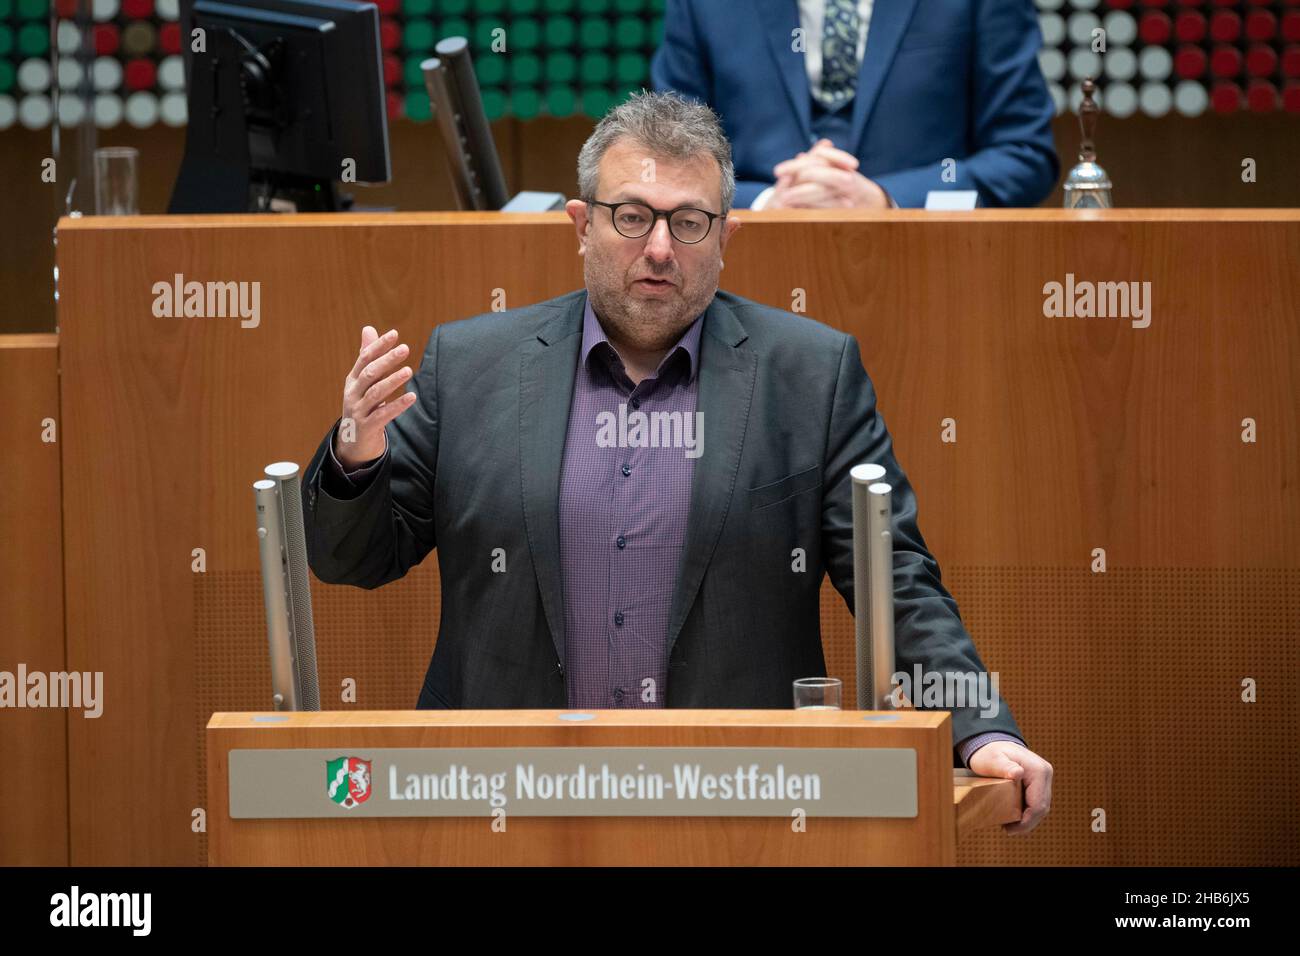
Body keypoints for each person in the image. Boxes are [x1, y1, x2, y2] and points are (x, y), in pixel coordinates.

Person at [302, 90, 1052, 832]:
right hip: (508, 800)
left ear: (727, 237)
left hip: (736, 808)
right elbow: (352, 561)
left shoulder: (810, 377)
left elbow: (898, 581)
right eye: (631, 216)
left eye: (689, 222)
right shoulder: (470, 365)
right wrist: (355, 454)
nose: (660, 248)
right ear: (580, 224)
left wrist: (981, 728)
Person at [650, 0, 1058, 209]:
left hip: (933, 275)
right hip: (744, 280)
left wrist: (888, 199)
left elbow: (1025, 155)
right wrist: (767, 203)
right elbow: (669, 164)